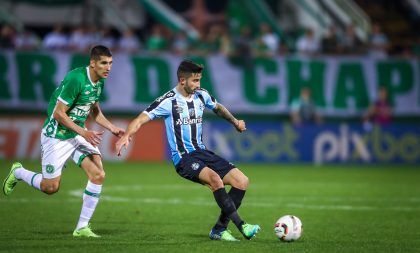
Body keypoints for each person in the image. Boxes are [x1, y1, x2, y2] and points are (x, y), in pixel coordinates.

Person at [115, 60, 260, 241]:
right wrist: (126, 135)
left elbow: (218, 108)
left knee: (241, 181)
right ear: (182, 80)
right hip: (183, 158)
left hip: (202, 152)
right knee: (215, 179)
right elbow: (140, 119)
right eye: (194, 81)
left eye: (199, 80)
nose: (198, 85)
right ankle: (242, 225)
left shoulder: (201, 95)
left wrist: (235, 122)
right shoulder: (168, 101)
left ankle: (219, 230)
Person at [2, 45, 125, 238]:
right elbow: (58, 114)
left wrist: (113, 128)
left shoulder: (99, 82)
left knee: (98, 174)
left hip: (76, 133)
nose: (108, 67)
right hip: (57, 135)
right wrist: (83, 132)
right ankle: (18, 172)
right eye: (103, 63)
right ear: (92, 63)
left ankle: (81, 227)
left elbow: (94, 111)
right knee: (50, 188)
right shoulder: (76, 79)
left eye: (110, 63)